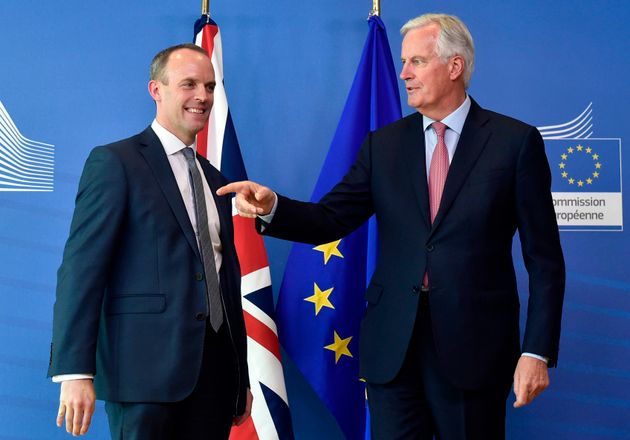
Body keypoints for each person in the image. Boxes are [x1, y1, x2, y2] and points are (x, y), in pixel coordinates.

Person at [218, 13, 565, 439]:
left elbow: (545, 260)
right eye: (403, 62)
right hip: (393, 351)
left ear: (454, 67)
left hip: (474, 349)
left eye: (416, 61)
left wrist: (537, 350)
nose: (404, 73)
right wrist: (273, 206)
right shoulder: (384, 145)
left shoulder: (514, 143)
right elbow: (330, 218)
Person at [48, 43, 252, 439]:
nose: (202, 97)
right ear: (155, 90)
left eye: (209, 87)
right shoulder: (115, 163)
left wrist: (239, 375)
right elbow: (82, 270)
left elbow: (224, 283)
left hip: (214, 380)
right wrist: (74, 371)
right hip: (142, 379)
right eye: (189, 84)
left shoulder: (216, 180)